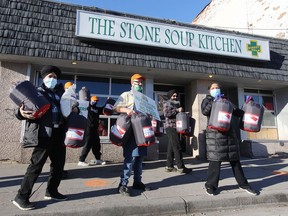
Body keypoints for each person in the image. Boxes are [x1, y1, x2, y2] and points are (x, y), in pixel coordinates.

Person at [13, 65, 67, 211]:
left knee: (58, 166)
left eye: (55, 77)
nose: (53, 79)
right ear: (44, 78)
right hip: (44, 135)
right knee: (35, 167)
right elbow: (19, 109)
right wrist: (20, 112)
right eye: (50, 76)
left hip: (59, 134)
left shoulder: (61, 94)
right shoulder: (36, 92)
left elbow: (67, 110)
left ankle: (52, 191)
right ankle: (21, 197)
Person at [201, 82, 259, 196]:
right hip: (215, 135)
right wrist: (214, 101)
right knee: (215, 161)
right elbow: (205, 111)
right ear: (209, 91)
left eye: (217, 87)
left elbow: (237, 112)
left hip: (229, 134)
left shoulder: (226, 101)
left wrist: (248, 105)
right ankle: (210, 185)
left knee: (235, 161)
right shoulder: (207, 100)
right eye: (213, 88)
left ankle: (244, 184)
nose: (215, 89)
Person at [113, 73, 151, 196]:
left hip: (141, 130)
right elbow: (116, 107)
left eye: (141, 82)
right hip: (130, 131)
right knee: (130, 158)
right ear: (131, 83)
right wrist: (127, 110)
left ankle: (137, 182)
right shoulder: (126, 95)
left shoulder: (144, 98)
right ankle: (122, 184)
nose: (139, 84)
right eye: (137, 82)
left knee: (140, 158)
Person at [163, 89, 192, 174]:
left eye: (176, 96)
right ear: (170, 96)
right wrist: (177, 110)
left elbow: (176, 115)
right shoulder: (167, 103)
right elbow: (166, 113)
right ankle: (181, 167)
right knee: (177, 146)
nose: (175, 97)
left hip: (176, 127)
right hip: (170, 127)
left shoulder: (176, 104)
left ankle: (169, 166)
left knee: (171, 147)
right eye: (173, 96)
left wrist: (183, 113)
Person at [78, 95, 106, 166]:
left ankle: (98, 159)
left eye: (96, 101)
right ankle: (81, 160)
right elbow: (81, 106)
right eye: (94, 100)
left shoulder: (96, 109)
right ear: (91, 100)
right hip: (88, 129)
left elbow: (103, 109)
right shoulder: (87, 107)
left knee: (96, 144)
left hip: (95, 129)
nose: (95, 102)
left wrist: (107, 102)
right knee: (87, 144)